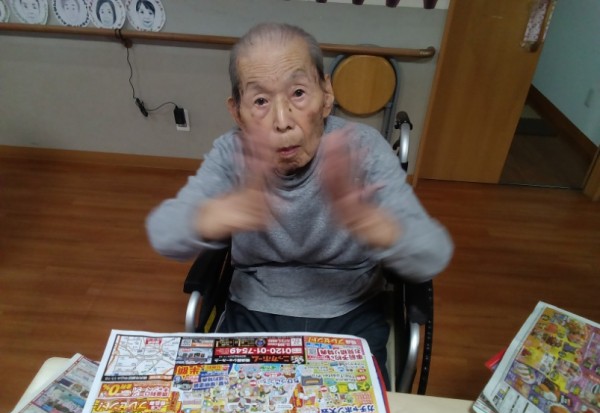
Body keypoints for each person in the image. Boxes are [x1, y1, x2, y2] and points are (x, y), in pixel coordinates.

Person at [146, 23, 453, 389]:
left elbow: (433, 253)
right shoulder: (233, 155)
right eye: (261, 101)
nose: (282, 121)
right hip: (253, 311)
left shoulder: (363, 149)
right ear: (237, 112)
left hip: (351, 311)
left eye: (298, 93)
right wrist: (215, 215)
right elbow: (164, 232)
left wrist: (368, 220)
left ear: (326, 95)